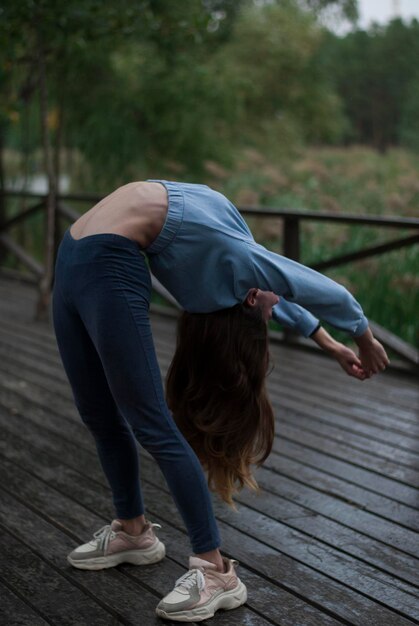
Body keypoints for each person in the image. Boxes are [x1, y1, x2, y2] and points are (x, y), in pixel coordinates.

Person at [52, 179, 389, 622]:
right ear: (252, 294)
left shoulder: (236, 267)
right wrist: (361, 336)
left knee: (150, 423)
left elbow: (277, 291)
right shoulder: (238, 258)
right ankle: (133, 531)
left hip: (106, 258)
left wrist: (329, 343)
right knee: (97, 412)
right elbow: (315, 289)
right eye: (270, 309)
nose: (275, 307)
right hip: (76, 254)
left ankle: (215, 571)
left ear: (248, 297)